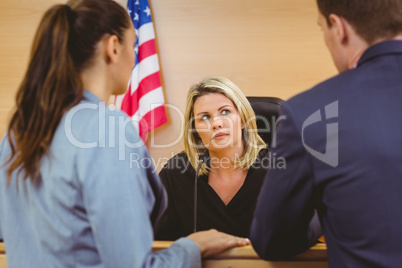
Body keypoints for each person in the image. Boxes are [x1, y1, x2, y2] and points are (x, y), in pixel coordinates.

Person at [0, 1, 249, 267]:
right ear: (113, 47)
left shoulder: (16, 134)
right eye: (133, 46)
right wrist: (192, 247)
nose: (134, 58)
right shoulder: (110, 130)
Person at [250, 0, 402, 267]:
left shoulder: (310, 112)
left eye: (322, 28)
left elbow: (272, 241)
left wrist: (328, 208)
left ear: (338, 27)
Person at [155, 77, 269, 240]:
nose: (216, 123)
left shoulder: (278, 168)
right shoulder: (176, 173)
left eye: (225, 111)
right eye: (205, 117)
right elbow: (153, 239)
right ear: (195, 130)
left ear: (243, 119)